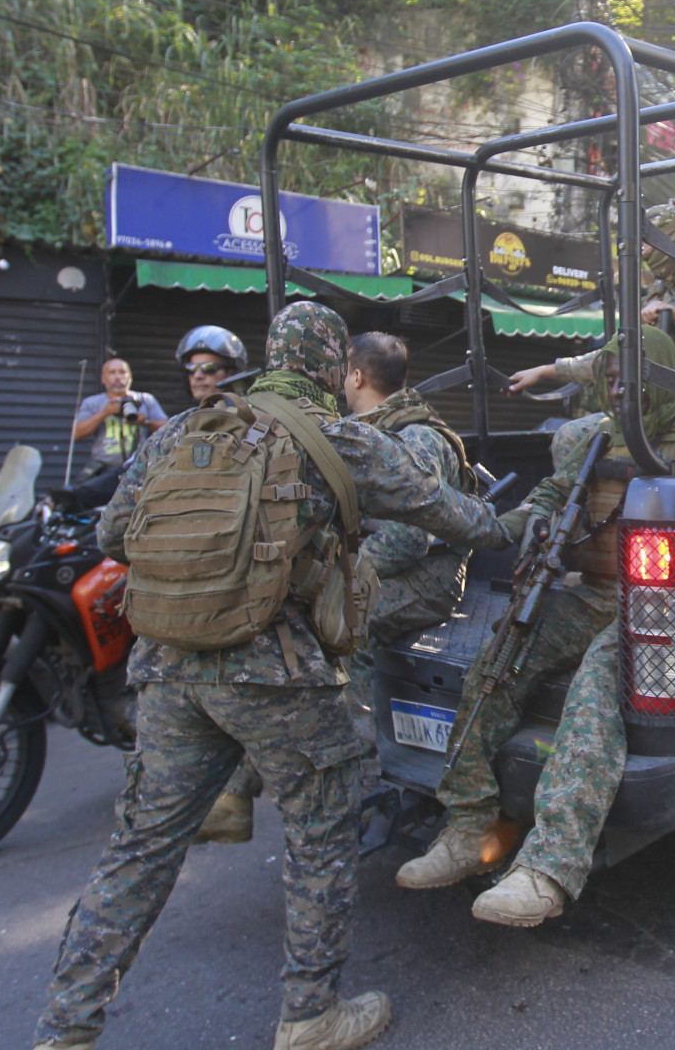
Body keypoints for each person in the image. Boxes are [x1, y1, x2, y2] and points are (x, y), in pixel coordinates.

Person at [34, 303, 511, 1050]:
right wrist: (523, 523)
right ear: (331, 370)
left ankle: (65, 1026)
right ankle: (311, 1016)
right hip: (273, 672)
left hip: (166, 668)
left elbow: (111, 534)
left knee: (139, 849)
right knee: (322, 837)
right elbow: (455, 517)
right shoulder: (339, 439)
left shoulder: (182, 431)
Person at [394, 325, 675, 927]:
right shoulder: (598, 437)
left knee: (595, 695)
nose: (616, 388)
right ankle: (469, 826)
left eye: (627, 377)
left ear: (656, 374)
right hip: (592, 594)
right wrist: (532, 523)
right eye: (607, 378)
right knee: (496, 664)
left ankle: (548, 867)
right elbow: (552, 491)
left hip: (657, 605)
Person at [195, 330, 473, 846]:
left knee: (333, 634)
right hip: (385, 569)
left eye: (339, 371)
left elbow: (407, 542)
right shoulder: (364, 430)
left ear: (356, 376)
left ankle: (359, 789)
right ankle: (237, 791)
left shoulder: (416, 438)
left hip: (424, 579)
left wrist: (335, 581)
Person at [508, 204, 675, 402]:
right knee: (571, 435)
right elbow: (614, 359)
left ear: (670, 241)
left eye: (646, 244)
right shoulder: (653, 296)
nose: (641, 252)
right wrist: (545, 371)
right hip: (663, 411)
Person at [71, 357, 166, 476]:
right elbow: (77, 433)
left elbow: (168, 429)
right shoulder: (92, 402)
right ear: (103, 378)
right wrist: (104, 412)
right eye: (112, 372)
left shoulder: (145, 400)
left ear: (130, 377)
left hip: (141, 468)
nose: (118, 377)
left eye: (122, 372)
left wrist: (146, 422)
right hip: (103, 470)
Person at [178, 324, 248, 404]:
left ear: (231, 373)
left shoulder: (250, 414)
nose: (197, 376)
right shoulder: (184, 416)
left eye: (209, 368)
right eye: (190, 368)